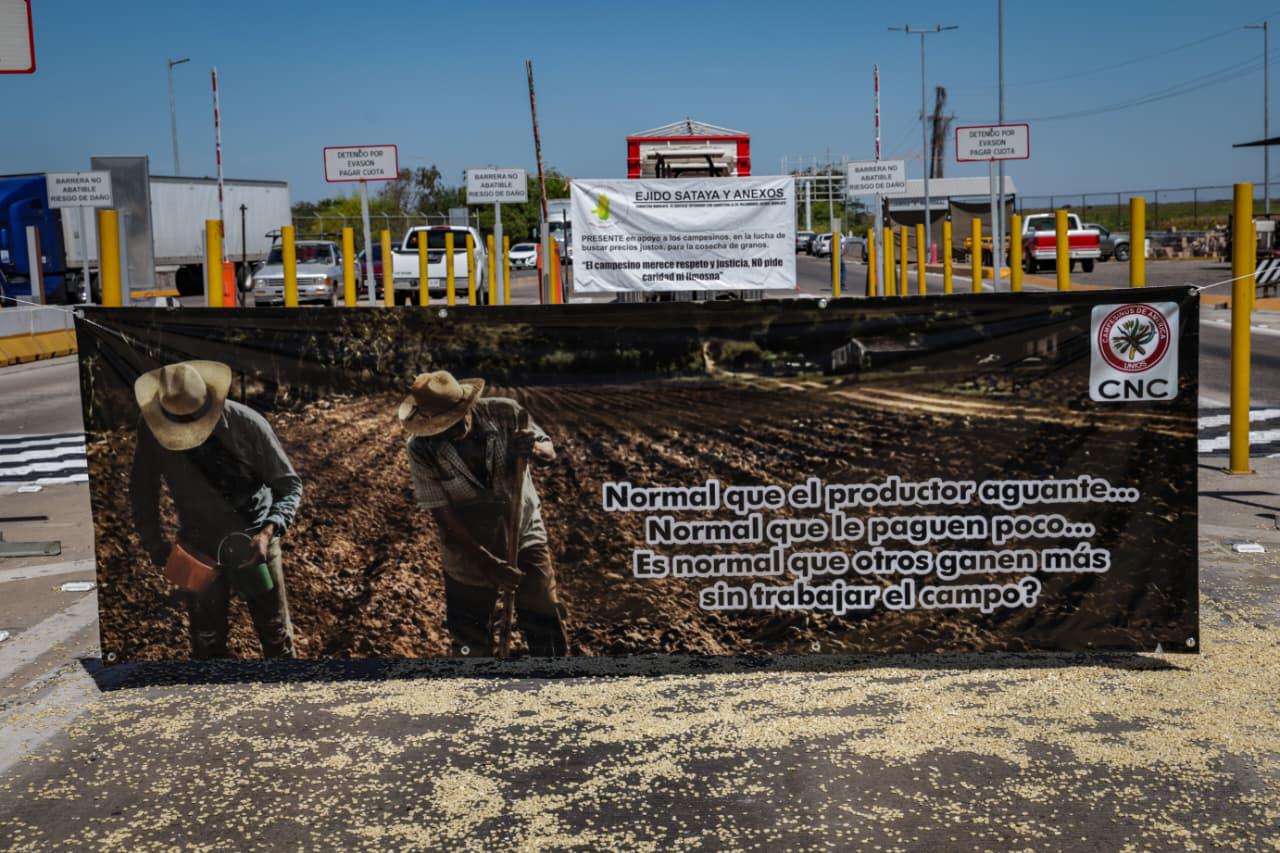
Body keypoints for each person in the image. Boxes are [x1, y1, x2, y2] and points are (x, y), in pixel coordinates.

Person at [129, 360, 302, 659]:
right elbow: (143, 491)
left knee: (275, 634)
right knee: (206, 641)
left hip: (253, 539)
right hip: (197, 545)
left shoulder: (247, 425)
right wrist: (154, 543)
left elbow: (289, 486)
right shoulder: (152, 429)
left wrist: (267, 532)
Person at [401, 370, 569, 657]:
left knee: (544, 615)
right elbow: (444, 518)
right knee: (469, 637)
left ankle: (555, 683)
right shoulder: (420, 450)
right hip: (467, 547)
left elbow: (549, 453)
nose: (451, 431)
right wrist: (488, 563)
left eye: (455, 422)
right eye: (441, 428)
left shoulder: (507, 414)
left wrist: (534, 448)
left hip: (523, 530)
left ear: (467, 407)